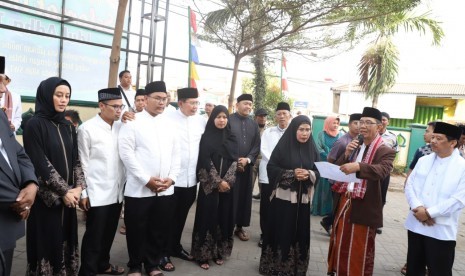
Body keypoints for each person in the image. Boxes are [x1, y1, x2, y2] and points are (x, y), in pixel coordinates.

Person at [23, 77, 86, 275]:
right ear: (47, 95)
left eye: (67, 96)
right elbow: (41, 164)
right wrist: (65, 191)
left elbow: (76, 160)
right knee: (47, 241)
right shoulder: (35, 125)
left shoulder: (68, 127)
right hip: (46, 200)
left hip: (68, 200)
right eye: (58, 95)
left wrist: (78, 188)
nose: (63, 100)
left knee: (66, 240)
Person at [118, 81, 180, 276]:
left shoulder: (170, 125)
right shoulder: (133, 122)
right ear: (145, 99)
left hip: (165, 189)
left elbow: (177, 155)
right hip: (139, 188)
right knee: (136, 228)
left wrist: (171, 178)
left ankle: (152, 265)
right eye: (158, 98)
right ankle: (135, 265)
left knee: (158, 228)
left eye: (165, 99)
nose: (162, 103)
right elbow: (126, 153)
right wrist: (146, 179)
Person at [327, 107, 396, 276]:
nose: (362, 126)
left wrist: (358, 166)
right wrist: (348, 153)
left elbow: (381, 170)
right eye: (360, 122)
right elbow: (340, 167)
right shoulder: (356, 146)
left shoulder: (385, 150)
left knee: (359, 248)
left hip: (364, 206)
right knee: (340, 241)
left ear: (379, 127)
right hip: (345, 200)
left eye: (368, 123)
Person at [259, 115, 320, 276]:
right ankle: (276, 265)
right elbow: (271, 168)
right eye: (301, 129)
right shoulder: (283, 147)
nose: (304, 133)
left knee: (299, 232)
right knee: (282, 230)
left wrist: (309, 174)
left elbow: (319, 170)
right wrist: (292, 174)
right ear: (294, 130)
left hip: (303, 202)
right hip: (283, 201)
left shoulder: (312, 149)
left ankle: (296, 267)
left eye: (307, 130)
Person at [404, 122, 465, 276]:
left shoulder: (462, 166)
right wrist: (418, 208)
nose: (433, 141)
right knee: (414, 269)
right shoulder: (424, 160)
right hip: (416, 224)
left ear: (453, 143)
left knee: (439, 271)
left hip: (441, 229)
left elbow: (459, 199)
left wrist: (430, 213)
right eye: (433, 137)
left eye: (439, 138)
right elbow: (410, 184)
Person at [77, 88, 126, 276]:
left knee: (108, 234)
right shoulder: (87, 129)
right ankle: (88, 271)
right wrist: (84, 193)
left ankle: (103, 265)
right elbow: (82, 164)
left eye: (121, 106)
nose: (119, 110)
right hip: (96, 193)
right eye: (115, 106)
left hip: (116, 192)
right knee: (94, 237)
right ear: (101, 106)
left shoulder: (122, 126)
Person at [0, 56, 38, 276]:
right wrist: (21, 200)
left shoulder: (1, 117)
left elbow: (19, 154)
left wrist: (31, 184)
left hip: (7, 224)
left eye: (5, 82)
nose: (4, 90)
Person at [191, 105, 238, 270]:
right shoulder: (206, 137)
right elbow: (204, 161)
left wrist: (227, 182)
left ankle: (219, 252)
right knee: (207, 218)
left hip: (227, 189)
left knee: (223, 219)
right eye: (218, 117)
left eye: (225, 117)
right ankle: (202, 254)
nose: (222, 120)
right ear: (213, 119)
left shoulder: (232, 138)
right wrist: (218, 182)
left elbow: (234, 162)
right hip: (209, 187)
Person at [166, 88, 206, 262]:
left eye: (197, 102)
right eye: (192, 102)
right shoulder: (167, 119)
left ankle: (175, 246)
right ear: (180, 103)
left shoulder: (200, 121)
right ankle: (162, 252)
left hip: (191, 180)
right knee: (167, 217)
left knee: (181, 217)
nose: (195, 106)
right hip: (171, 180)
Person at [400, 120, 436, 275]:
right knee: (416, 237)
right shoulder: (422, 152)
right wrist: (409, 191)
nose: (425, 134)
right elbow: (411, 172)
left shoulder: (457, 159)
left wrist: (431, 212)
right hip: (417, 202)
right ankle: (411, 264)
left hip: (436, 210)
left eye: (428, 131)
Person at [320, 113, 361, 235]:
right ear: (349, 125)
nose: (358, 126)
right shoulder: (342, 141)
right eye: (355, 123)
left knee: (343, 205)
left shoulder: (360, 141)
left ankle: (328, 222)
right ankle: (329, 223)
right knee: (338, 205)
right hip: (338, 179)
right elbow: (330, 160)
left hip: (350, 180)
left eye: (360, 123)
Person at [257, 102, 292, 247]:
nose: (282, 116)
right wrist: (278, 163)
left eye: (285, 113)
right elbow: (263, 150)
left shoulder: (294, 132)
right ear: (275, 116)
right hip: (268, 173)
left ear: (290, 115)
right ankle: (264, 234)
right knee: (266, 205)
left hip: (286, 175)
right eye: (279, 114)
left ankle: (279, 234)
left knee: (282, 205)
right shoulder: (268, 132)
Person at [229, 94, 260, 242]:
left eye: (250, 104)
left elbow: (256, 146)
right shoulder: (228, 120)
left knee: (243, 197)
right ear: (237, 105)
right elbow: (224, 143)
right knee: (230, 196)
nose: (248, 106)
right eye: (245, 103)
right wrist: (235, 160)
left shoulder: (253, 124)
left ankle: (239, 227)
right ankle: (226, 226)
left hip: (246, 167)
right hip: (229, 167)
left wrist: (247, 159)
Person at [312, 116, 342, 216]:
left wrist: (334, 159)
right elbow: (318, 147)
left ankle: (329, 210)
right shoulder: (321, 134)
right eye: (333, 123)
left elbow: (341, 149)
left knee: (331, 186)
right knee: (322, 185)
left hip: (335, 164)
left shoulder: (340, 135)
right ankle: (319, 209)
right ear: (328, 123)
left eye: (337, 123)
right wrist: (328, 156)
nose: (336, 125)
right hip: (323, 163)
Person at [252, 108, 268, 200]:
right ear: (256, 117)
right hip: (253, 159)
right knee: (250, 181)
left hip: (264, 160)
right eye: (260, 116)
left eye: (264, 116)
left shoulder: (269, 130)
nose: (262, 118)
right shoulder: (252, 128)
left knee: (263, 183)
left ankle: (261, 195)